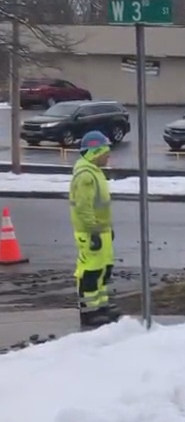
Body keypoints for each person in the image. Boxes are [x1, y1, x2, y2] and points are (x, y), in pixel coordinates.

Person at [69, 130, 119, 327]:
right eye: (105, 152)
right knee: (90, 271)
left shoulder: (94, 172)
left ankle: (101, 306)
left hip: (101, 230)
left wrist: (107, 228)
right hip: (91, 232)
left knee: (104, 269)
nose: (108, 156)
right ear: (95, 152)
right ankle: (89, 312)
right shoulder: (85, 176)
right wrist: (94, 231)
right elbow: (83, 207)